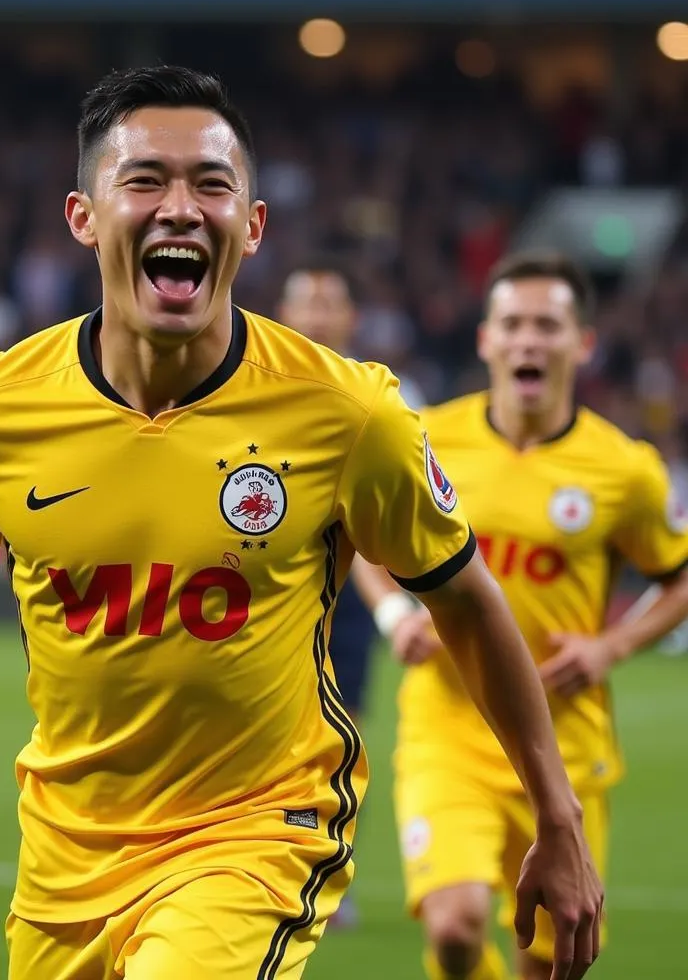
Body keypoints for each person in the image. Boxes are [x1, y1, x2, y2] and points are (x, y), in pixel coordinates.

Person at [0, 67, 603, 980]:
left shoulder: (346, 412)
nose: (181, 208)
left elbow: (466, 601)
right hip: (64, 853)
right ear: (83, 216)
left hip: (255, 833)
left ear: (254, 226)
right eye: (145, 180)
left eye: (213, 184)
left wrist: (556, 814)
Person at [351, 250, 688, 980]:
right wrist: (393, 614)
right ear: (485, 340)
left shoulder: (623, 469)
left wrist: (613, 646)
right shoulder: (427, 439)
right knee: (454, 926)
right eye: (512, 324)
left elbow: (679, 577)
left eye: (547, 325)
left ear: (583, 344)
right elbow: (360, 542)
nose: (528, 340)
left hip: (563, 743)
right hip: (448, 729)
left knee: (548, 960)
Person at [276, 259, 427, 930]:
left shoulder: (386, 399)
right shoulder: (251, 393)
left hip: (352, 601)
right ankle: (275, 863)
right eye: (303, 302)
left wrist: (396, 601)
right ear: (282, 315)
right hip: (271, 592)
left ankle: (330, 871)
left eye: (327, 301)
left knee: (343, 736)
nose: (314, 314)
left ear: (350, 319)